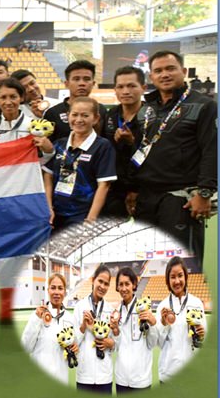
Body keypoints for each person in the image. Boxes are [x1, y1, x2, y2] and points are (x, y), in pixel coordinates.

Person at [127, 51, 217, 265]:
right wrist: (132, 188)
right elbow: (140, 150)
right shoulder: (146, 108)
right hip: (146, 200)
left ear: (183, 72)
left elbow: (212, 150)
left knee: (182, 267)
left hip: (179, 200)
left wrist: (204, 193)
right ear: (151, 77)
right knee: (145, 266)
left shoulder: (204, 106)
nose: (164, 74)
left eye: (170, 69)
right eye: (158, 71)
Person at [43, 97, 116, 228]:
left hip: (82, 215)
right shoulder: (60, 143)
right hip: (56, 214)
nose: (78, 120)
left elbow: (104, 185)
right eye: (74, 114)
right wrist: (48, 208)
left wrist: (91, 219)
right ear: (68, 116)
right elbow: (48, 176)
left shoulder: (102, 146)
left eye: (85, 115)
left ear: (95, 118)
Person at [101, 66, 147, 217]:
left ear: (143, 88)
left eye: (132, 86)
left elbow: (155, 157)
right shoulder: (111, 115)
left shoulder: (153, 117)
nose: (125, 91)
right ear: (115, 89)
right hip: (115, 189)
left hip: (145, 190)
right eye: (120, 87)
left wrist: (132, 143)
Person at [0, 78, 54, 163]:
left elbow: (43, 161)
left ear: (22, 98)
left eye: (13, 97)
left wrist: (49, 151)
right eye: (3, 97)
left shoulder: (34, 126)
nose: (8, 102)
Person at [154, 256, 206, 383]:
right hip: (167, 375)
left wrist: (201, 334)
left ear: (185, 277)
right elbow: (158, 342)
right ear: (167, 280)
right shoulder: (162, 306)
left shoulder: (197, 303)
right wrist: (163, 323)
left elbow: (203, 339)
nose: (177, 281)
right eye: (172, 277)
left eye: (180, 275)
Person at [21, 273, 78, 385]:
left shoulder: (70, 319)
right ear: (48, 290)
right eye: (53, 288)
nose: (56, 292)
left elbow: (73, 346)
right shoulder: (37, 316)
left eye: (60, 288)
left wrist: (75, 349)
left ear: (65, 292)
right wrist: (36, 319)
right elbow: (26, 347)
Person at [112, 267, 157, 393]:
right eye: (120, 284)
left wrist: (152, 324)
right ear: (117, 287)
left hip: (141, 380)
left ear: (134, 285)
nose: (124, 288)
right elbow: (116, 346)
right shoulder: (116, 313)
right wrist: (115, 330)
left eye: (127, 284)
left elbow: (152, 343)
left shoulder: (143, 309)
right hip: (121, 380)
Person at [73, 264, 115, 394]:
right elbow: (73, 342)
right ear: (93, 280)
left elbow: (115, 342)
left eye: (106, 284)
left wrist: (111, 344)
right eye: (100, 281)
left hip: (104, 376)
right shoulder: (80, 307)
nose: (102, 286)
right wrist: (83, 326)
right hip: (84, 375)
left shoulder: (110, 310)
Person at [44, 60, 107, 142]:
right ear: (66, 84)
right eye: (76, 79)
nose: (82, 83)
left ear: (93, 83)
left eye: (87, 79)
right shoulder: (53, 113)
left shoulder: (101, 110)